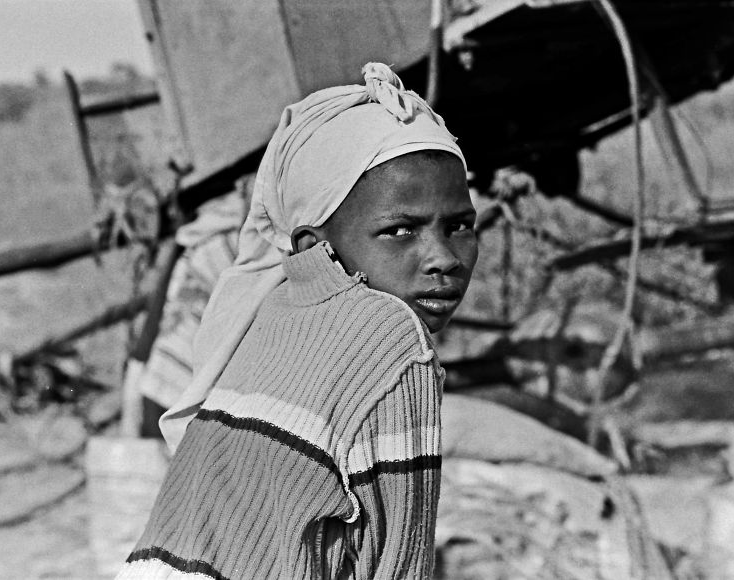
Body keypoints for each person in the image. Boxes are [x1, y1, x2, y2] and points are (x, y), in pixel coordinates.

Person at [116, 62, 478, 580]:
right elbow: (397, 566)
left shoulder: (268, 316)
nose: (443, 257)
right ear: (314, 245)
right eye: (400, 230)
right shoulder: (392, 338)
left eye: (461, 225)